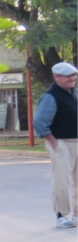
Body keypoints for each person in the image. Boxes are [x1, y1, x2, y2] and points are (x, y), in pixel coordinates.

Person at [33, 62, 78, 228]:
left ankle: (76, 213)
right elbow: (40, 122)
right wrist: (54, 143)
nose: (72, 79)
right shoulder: (51, 96)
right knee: (62, 180)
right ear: (57, 77)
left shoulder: (73, 93)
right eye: (68, 76)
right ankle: (63, 216)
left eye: (74, 75)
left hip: (76, 141)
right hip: (62, 142)